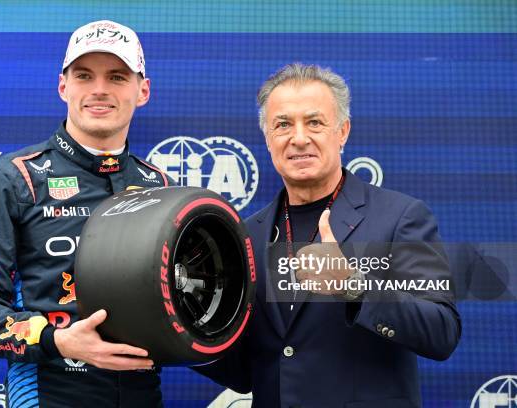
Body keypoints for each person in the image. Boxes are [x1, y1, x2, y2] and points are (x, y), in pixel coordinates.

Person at [195, 63, 461, 407]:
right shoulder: (246, 235)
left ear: (343, 131)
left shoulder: (401, 217)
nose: (299, 138)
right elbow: (245, 372)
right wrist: (187, 335)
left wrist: (353, 285)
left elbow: (442, 332)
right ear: (267, 138)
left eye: (315, 122)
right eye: (283, 124)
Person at [0, 20, 174, 407]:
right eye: (84, 76)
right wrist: (57, 341)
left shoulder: (162, 188)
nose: (99, 89)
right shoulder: (11, 178)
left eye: (117, 77)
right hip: (48, 395)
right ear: (63, 86)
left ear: (143, 91)